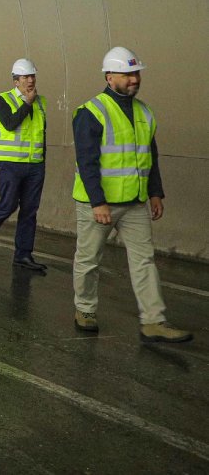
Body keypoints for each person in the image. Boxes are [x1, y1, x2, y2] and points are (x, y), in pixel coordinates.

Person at [71, 47, 191, 343]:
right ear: (110, 77)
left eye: (136, 73)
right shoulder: (91, 112)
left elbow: (150, 156)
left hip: (135, 203)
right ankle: (85, 309)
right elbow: (87, 162)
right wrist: (98, 201)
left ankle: (153, 321)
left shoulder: (145, 112)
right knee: (89, 259)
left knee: (144, 261)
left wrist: (155, 193)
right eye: (128, 74)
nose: (135, 79)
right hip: (98, 204)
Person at [0, 59, 48, 271]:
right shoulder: (2, 100)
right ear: (16, 81)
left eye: (32, 76)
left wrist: (42, 162)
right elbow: (10, 124)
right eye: (25, 77)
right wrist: (27, 104)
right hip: (11, 164)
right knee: (8, 205)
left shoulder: (41, 102)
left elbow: (41, 133)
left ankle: (23, 255)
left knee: (30, 210)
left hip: (35, 165)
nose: (30, 80)